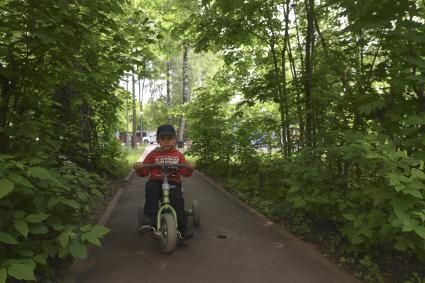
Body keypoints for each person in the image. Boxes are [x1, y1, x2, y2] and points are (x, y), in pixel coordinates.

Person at [133, 124, 195, 240]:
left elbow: (184, 172)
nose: (166, 142)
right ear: (158, 140)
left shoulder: (178, 155)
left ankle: (183, 227)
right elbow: (144, 172)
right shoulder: (153, 154)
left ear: (174, 140)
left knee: (177, 200)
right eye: (163, 139)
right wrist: (140, 168)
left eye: (169, 139)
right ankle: (151, 216)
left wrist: (189, 168)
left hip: (173, 182)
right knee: (151, 188)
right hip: (156, 181)